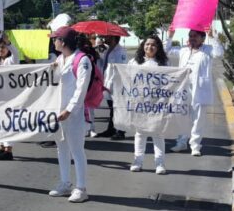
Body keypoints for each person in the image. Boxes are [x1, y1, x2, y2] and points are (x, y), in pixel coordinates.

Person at [48, 26, 94, 203]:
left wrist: (69, 110)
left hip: (74, 114)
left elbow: (81, 89)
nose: (54, 42)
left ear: (63, 41)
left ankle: (81, 188)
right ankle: (65, 183)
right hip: (59, 113)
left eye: (56, 39)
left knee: (77, 150)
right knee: (62, 149)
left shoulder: (82, 60)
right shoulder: (61, 58)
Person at [165, 28, 224, 156]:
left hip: (200, 89)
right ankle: (181, 142)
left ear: (202, 38)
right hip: (183, 90)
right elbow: (166, 50)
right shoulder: (183, 50)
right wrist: (170, 37)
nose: (192, 38)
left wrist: (212, 37)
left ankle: (195, 145)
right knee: (182, 117)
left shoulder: (208, 50)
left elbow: (219, 53)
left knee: (198, 119)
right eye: (190, 36)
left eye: (195, 36)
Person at [128, 36, 169, 174]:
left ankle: (160, 163)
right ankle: (137, 161)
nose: (149, 47)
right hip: (140, 104)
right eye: (147, 44)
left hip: (157, 104)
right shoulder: (134, 62)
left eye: (153, 45)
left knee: (158, 133)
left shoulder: (163, 64)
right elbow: (126, 78)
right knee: (140, 133)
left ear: (158, 48)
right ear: (142, 46)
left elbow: (170, 82)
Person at [96, 35, 129, 139]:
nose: (105, 39)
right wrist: (99, 55)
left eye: (107, 37)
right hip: (107, 82)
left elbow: (121, 68)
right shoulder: (107, 50)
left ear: (114, 38)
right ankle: (111, 129)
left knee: (119, 107)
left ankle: (121, 131)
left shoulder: (120, 52)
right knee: (112, 108)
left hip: (117, 83)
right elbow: (104, 65)